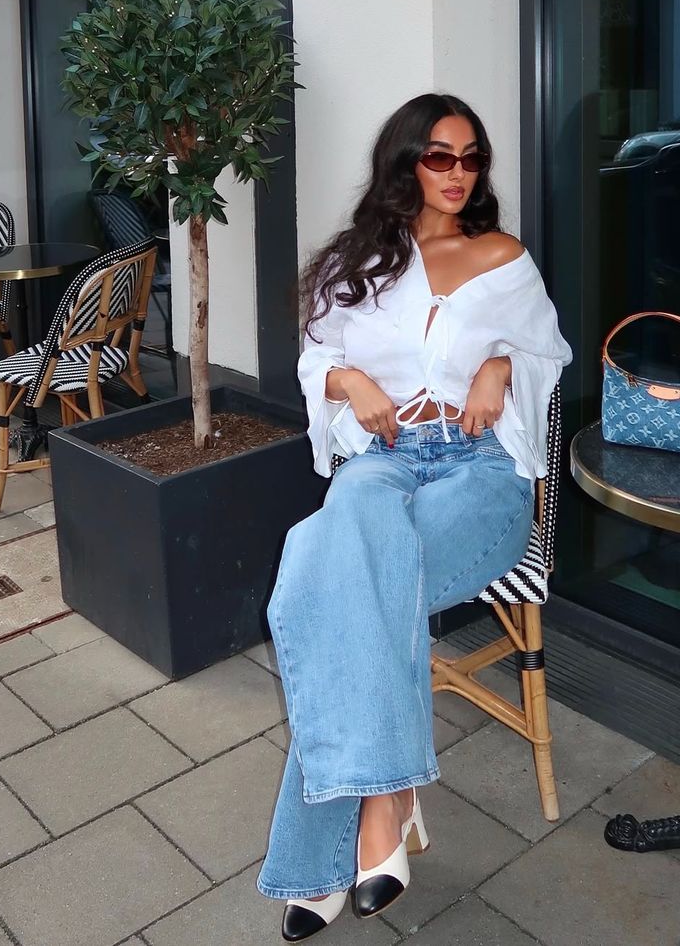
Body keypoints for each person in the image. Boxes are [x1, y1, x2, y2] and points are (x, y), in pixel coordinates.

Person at [256, 92, 573, 942]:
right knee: (348, 568)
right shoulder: (358, 262)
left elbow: (549, 354)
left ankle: (339, 847)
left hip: (479, 470)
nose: (459, 174)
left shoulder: (502, 257)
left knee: (330, 578)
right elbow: (316, 357)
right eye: (440, 157)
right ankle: (389, 799)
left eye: (472, 159)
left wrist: (502, 366)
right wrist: (348, 381)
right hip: (384, 459)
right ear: (406, 163)